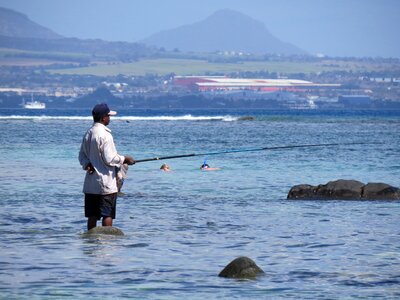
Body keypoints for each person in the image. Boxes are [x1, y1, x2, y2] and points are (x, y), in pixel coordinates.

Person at [79, 103, 135, 230]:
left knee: (92, 216)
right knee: (107, 214)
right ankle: (107, 242)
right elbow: (110, 159)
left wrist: (87, 164)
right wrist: (125, 159)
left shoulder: (88, 133)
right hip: (106, 183)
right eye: (109, 116)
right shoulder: (105, 135)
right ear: (103, 118)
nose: (110, 118)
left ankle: (91, 243)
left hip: (91, 185)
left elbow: (81, 156)